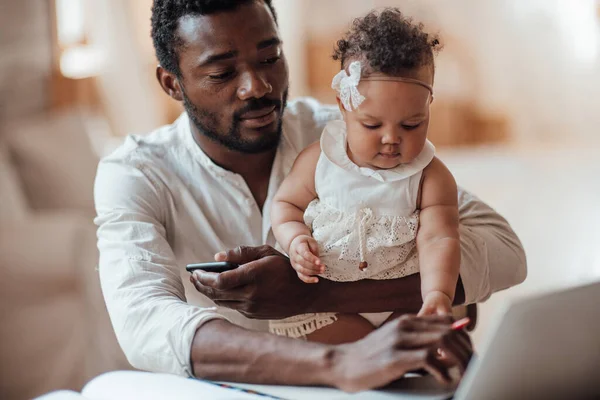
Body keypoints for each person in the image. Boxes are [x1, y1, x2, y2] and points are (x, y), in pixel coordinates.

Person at [94, 0, 526, 392]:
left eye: (270, 58)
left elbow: (502, 249)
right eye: (223, 73)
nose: (258, 86)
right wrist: (340, 362)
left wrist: (320, 297)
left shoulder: (350, 137)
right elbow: (143, 321)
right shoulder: (135, 173)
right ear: (171, 83)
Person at [270, 9, 460, 344]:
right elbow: (285, 205)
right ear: (344, 107)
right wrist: (295, 239)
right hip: (325, 300)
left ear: (428, 106)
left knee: (441, 331)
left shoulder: (431, 178)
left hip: (401, 298)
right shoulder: (318, 160)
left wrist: (437, 295)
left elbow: (439, 239)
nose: (391, 138)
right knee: (304, 332)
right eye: (372, 125)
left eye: (411, 124)